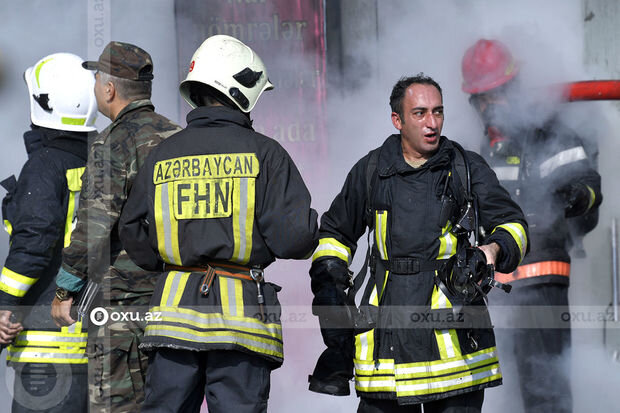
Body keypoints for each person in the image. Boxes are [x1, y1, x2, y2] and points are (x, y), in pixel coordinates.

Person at [118, 34, 318, 413]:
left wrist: (173, 259)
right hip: (241, 325)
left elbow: (133, 232)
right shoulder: (266, 153)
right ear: (242, 91)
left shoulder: (162, 155)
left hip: (171, 318)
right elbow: (293, 239)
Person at [308, 74, 529, 412]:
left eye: (438, 112)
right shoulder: (371, 171)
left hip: (454, 358)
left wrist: (491, 250)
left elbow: (513, 225)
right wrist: (330, 275)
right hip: (386, 351)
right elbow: (335, 234)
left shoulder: (465, 168)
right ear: (397, 120)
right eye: (420, 113)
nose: (432, 123)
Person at [461, 38, 603, 413]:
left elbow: (587, 185)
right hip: (496, 292)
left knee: (545, 391)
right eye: (482, 99)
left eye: (496, 95)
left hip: (540, 284)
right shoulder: (484, 147)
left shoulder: (546, 134)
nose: (490, 107)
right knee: (501, 391)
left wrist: (573, 195)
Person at [50, 41, 181, 412]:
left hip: (122, 309)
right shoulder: (179, 139)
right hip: (176, 303)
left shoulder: (112, 142)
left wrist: (64, 291)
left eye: (96, 79)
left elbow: (94, 224)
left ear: (109, 89)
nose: (94, 86)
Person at [0, 52, 97, 412]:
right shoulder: (104, 164)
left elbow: (34, 244)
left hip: (46, 354)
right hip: (98, 352)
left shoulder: (44, 166)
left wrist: (4, 305)